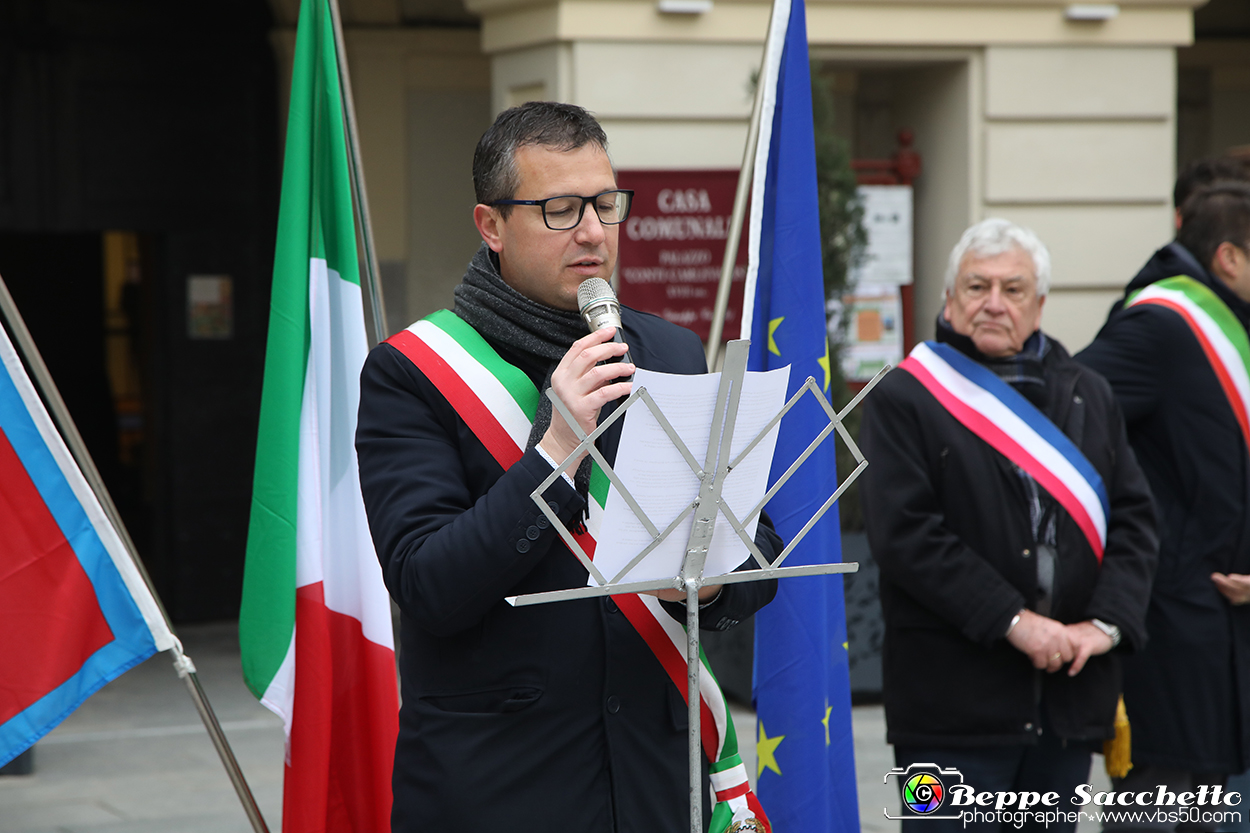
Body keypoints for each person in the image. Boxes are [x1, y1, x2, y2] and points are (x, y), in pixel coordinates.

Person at [355, 101, 779, 832]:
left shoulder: (670, 351)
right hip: (501, 787)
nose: (592, 231)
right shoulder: (413, 373)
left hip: (654, 783)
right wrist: (557, 448)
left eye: (605, 204)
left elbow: (757, 541)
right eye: (559, 208)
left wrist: (712, 582)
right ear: (490, 225)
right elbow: (427, 585)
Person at [860, 218, 1157, 832]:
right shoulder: (905, 397)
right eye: (977, 286)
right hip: (946, 714)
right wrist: (1016, 622)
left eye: (1014, 289)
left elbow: (1134, 520)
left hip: (1067, 702)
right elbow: (907, 536)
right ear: (949, 298)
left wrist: (1104, 626)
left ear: (1040, 303)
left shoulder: (1088, 393)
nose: (994, 303)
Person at [1077, 182, 1250, 828]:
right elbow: (1068, 421)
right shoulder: (1160, 324)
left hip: (1222, 629)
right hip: (1173, 622)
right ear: (1229, 258)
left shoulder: (1230, 329)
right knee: (1157, 807)